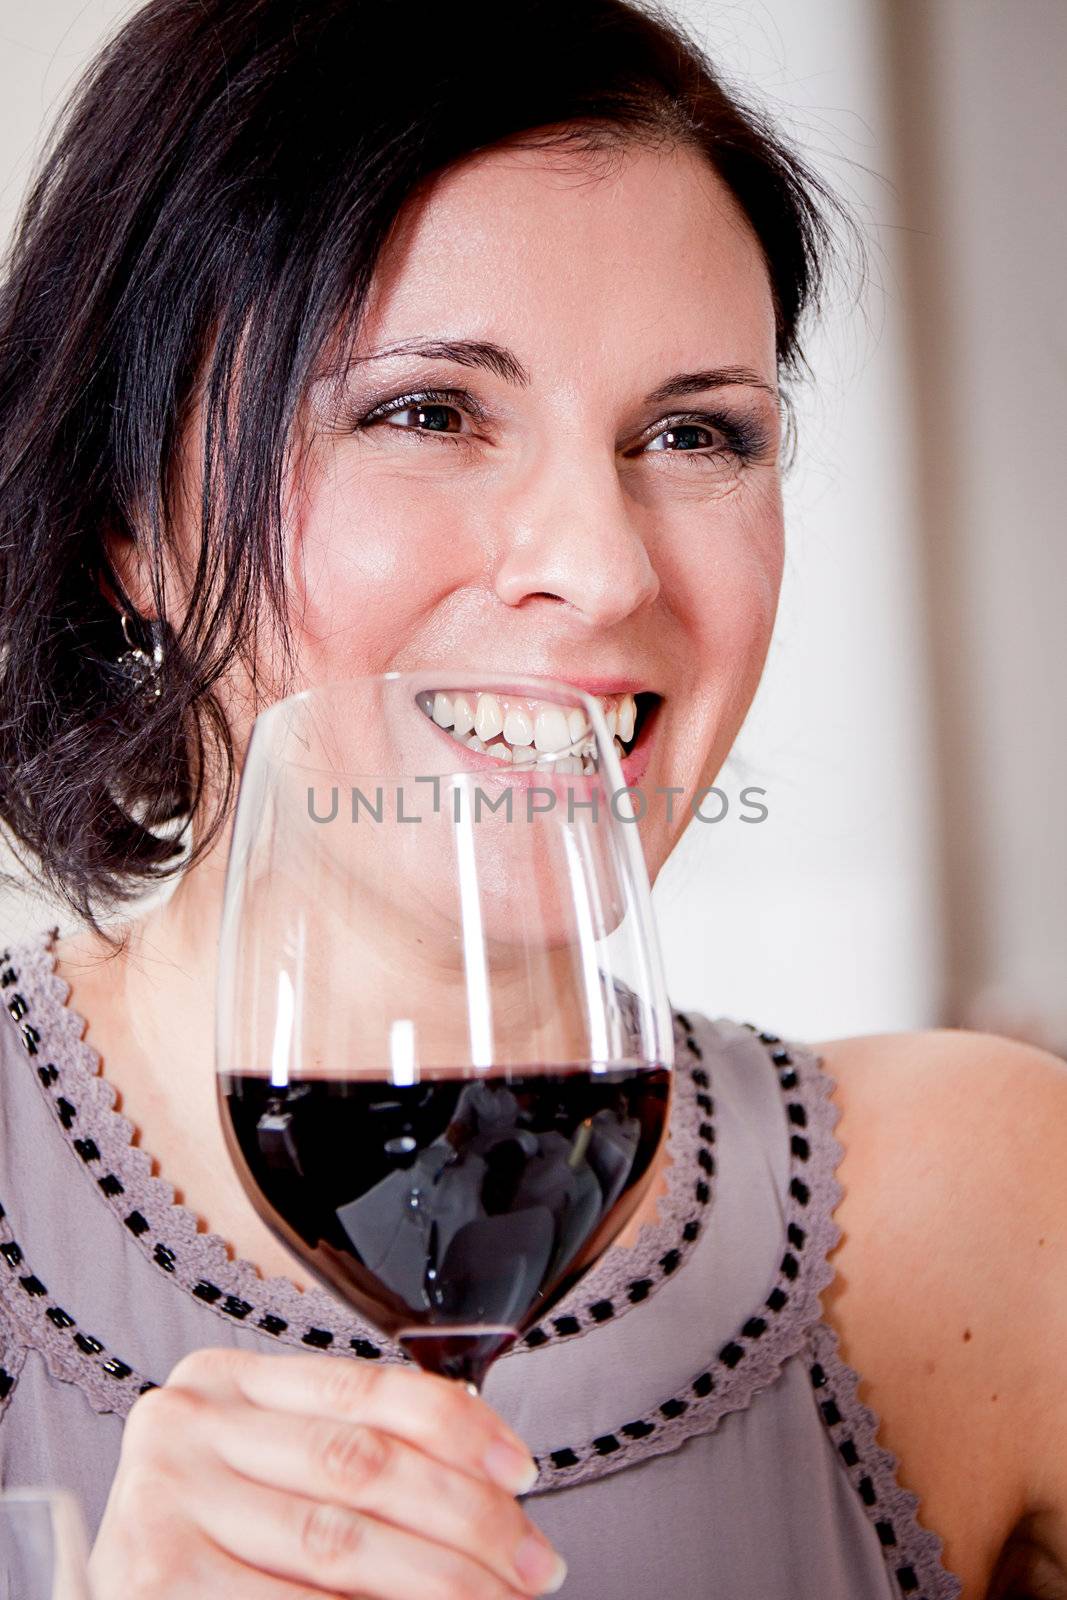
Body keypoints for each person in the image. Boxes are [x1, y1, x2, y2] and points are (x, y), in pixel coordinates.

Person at [0, 1, 1063, 1596]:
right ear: (127, 522)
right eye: (426, 412)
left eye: (695, 432)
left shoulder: (987, 1208)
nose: (604, 564)